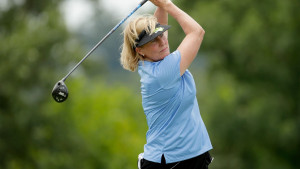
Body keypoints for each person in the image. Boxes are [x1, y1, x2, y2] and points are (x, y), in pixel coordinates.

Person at [120, 0, 213, 168]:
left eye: (161, 35)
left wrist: (160, 4)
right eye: (153, 41)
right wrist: (168, 5)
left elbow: (160, 25)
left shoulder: (155, 62)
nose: (163, 42)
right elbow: (196, 32)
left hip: (185, 156)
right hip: (172, 161)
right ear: (139, 50)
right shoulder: (163, 72)